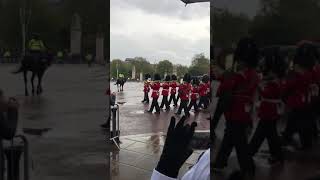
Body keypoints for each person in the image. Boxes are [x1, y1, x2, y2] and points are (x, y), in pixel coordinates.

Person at [213, 37, 259, 176]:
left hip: (237, 110)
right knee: (229, 137)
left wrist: (224, 74)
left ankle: (248, 168)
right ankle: (221, 162)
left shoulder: (242, 74)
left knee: (240, 142)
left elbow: (228, 84)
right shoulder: (250, 72)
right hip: (239, 109)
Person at [249, 47, 285, 165]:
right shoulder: (274, 79)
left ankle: (250, 152)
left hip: (269, 110)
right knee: (271, 135)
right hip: (269, 110)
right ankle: (277, 155)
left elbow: (267, 94)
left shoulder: (274, 81)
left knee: (261, 134)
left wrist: (259, 85)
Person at [281, 42, 316, 150]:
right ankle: (290, 138)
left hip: (298, 99)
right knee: (298, 120)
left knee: (298, 121)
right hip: (305, 99)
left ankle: (293, 140)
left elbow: (291, 85)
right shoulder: (310, 71)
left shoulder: (299, 73)